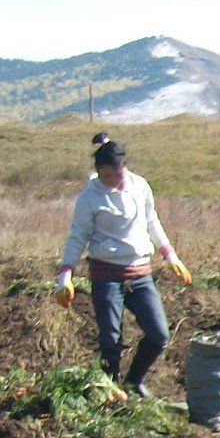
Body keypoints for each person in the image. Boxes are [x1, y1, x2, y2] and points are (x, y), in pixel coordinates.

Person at [54, 135, 191, 398]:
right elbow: (77, 237)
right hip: (106, 275)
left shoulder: (140, 187)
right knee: (111, 339)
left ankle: (133, 382)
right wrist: (65, 274)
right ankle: (109, 390)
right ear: (98, 172)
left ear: (124, 167)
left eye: (119, 174)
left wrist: (170, 255)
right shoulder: (89, 198)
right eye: (108, 176)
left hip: (140, 274)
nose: (115, 181)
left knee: (159, 334)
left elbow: (152, 221)